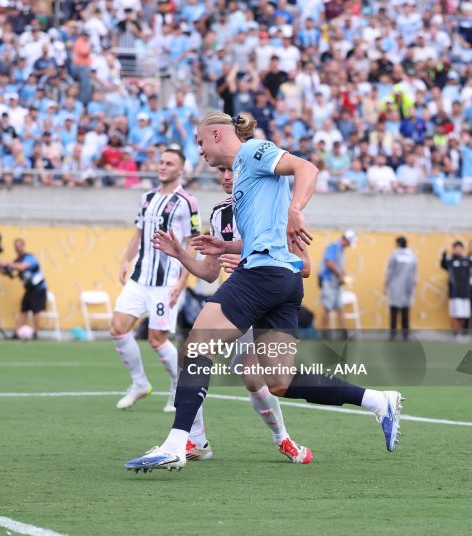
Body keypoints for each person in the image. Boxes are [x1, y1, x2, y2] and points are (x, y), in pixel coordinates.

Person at [125, 112, 402, 473]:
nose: (200, 150)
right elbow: (260, 234)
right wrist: (225, 246)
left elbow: (308, 168)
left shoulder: (254, 151)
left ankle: (180, 443)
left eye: (200, 141)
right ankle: (379, 401)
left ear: (216, 133)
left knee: (195, 348)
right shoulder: (242, 178)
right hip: (282, 282)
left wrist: (296, 209)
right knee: (280, 381)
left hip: (263, 273)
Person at [152, 167, 313, 463]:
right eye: (222, 171)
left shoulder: (273, 209)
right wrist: (181, 254)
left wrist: (256, 261)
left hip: (268, 302)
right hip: (236, 305)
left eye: (232, 170)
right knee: (190, 354)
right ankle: (196, 441)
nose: (226, 176)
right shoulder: (219, 215)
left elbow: (304, 268)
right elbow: (210, 272)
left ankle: (284, 439)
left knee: (256, 377)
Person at [110, 148, 200, 414]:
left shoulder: (187, 202)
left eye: (169, 163)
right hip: (140, 277)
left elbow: (191, 243)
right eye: (161, 162)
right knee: (117, 328)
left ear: (181, 170)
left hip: (165, 281)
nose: (162, 167)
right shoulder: (146, 198)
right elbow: (138, 233)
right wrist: (126, 260)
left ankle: (178, 389)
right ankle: (139, 383)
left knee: (157, 339)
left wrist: (182, 282)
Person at [0, 238, 48, 339]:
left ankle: (35, 333)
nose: (17, 248)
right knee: (23, 311)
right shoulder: (16, 261)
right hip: (29, 289)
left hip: (39, 288)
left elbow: (22, 267)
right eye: (16, 246)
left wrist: (7, 263)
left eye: (19, 245)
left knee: (35, 311)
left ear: (23, 246)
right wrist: (0, 267)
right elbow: (8, 273)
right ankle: (17, 333)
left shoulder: (30, 257)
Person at [318, 230, 357, 339]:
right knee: (327, 307)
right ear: (346, 240)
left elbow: (337, 265)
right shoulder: (333, 247)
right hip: (328, 281)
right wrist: (340, 274)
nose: (349, 246)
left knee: (340, 307)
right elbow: (329, 262)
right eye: (349, 243)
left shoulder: (341, 250)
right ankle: (324, 334)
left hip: (336, 282)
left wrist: (342, 273)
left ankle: (344, 333)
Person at [384, 236, 417, 341]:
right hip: (407, 288)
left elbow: (389, 271)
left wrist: (386, 285)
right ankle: (405, 334)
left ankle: (393, 333)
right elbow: (414, 273)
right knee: (405, 311)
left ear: (398, 244)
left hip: (395, 286)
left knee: (394, 310)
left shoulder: (395, 255)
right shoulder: (412, 255)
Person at [440, 241, 471, 340]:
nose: (458, 250)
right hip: (455, 292)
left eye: (460, 248)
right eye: (456, 248)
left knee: (464, 315)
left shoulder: (467, 260)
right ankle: (455, 333)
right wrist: (444, 254)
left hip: (465, 292)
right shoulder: (450, 261)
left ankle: (462, 333)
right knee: (455, 314)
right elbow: (443, 264)